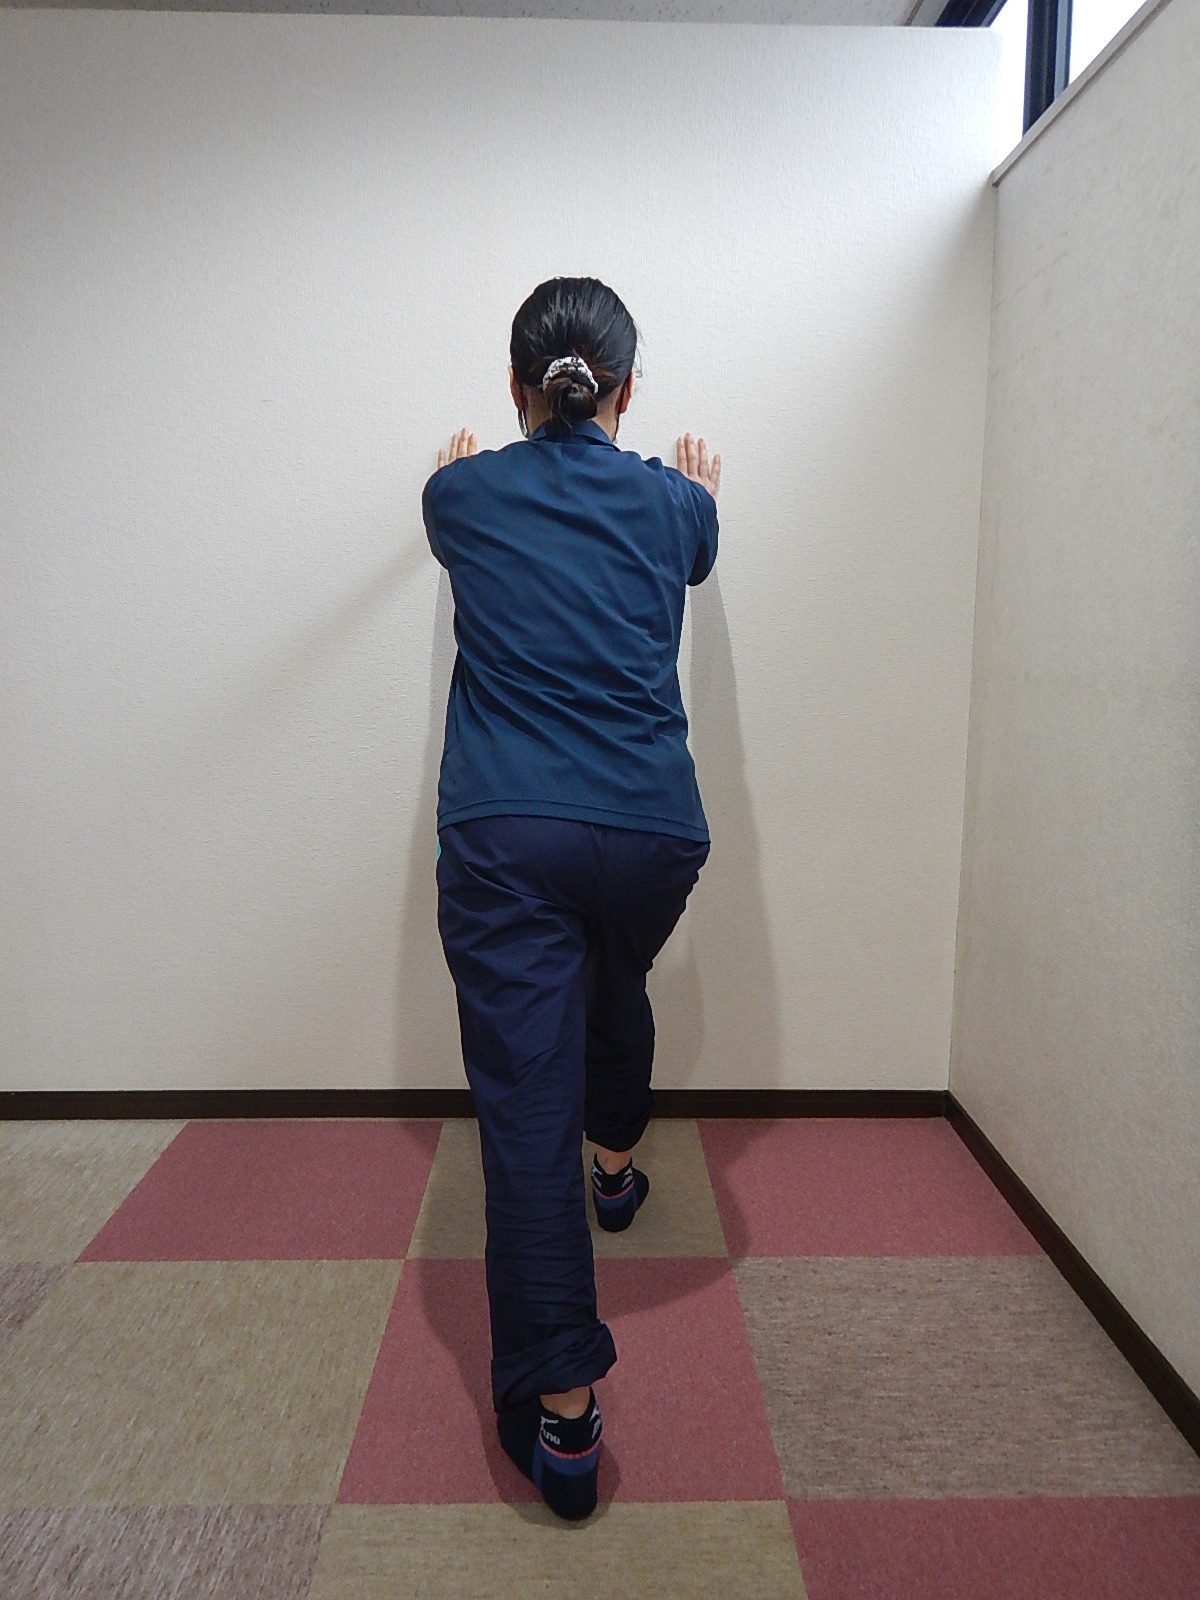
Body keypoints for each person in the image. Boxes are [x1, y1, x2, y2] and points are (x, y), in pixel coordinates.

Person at [421, 276, 720, 1521]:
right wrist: (697, 487)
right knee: (615, 975)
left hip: (508, 834)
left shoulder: (458, 497)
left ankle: (565, 1414)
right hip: (654, 834)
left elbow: (469, 514)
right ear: (627, 390)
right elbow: (691, 543)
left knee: (522, 1103)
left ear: (514, 388)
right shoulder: (676, 506)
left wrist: (460, 470)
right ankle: (616, 1168)